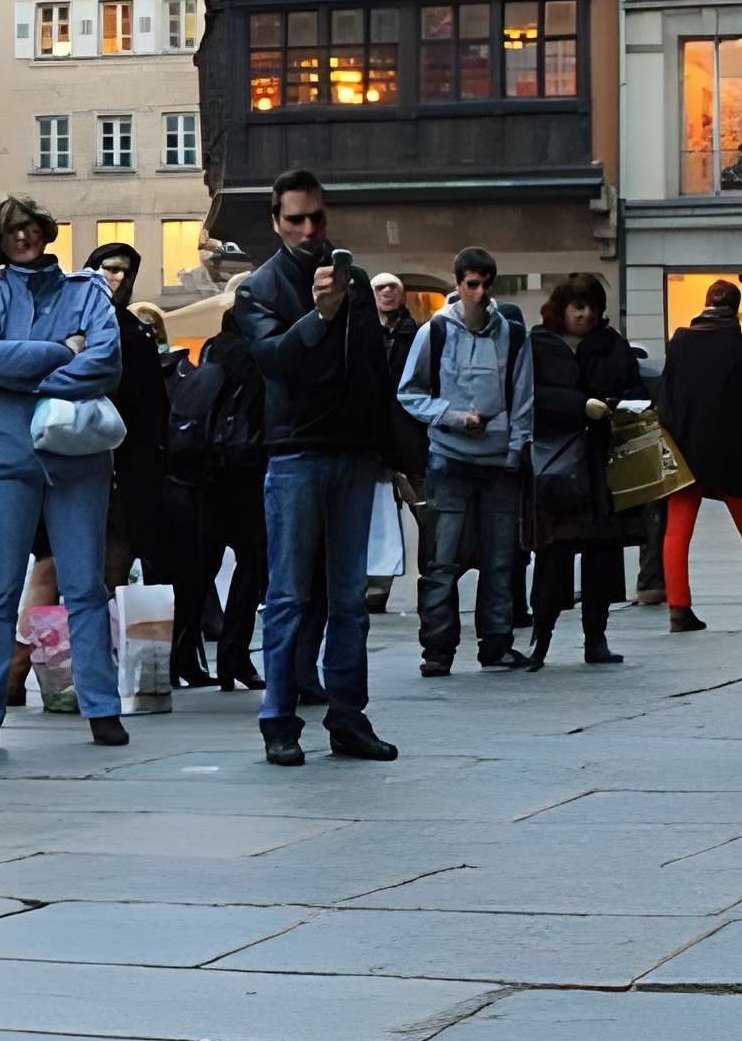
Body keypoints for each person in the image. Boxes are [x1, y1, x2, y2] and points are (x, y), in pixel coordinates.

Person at [228, 170, 397, 766]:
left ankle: (348, 716)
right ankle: (279, 718)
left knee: (350, 597)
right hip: (295, 450)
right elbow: (273, 360)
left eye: (316, 218)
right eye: (295, 219)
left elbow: (376, 369)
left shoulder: (351, 279)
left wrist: (393, 456)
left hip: (352, 452)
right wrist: (319, 317)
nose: (307, 229)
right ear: (276, 222)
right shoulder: (260, 287)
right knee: (289, 595)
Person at [0, 199, 129, 752]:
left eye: (32, 226)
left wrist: (30, 379)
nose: (26, 236)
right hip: (3, 460)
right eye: (13, 230)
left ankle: (101, 708)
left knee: (86, 586)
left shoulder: (86, 289)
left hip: (77, 456)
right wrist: (61, 351)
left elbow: (105, 362)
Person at [395, 248, 531, 675]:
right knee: (442, 560)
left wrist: (514, 451)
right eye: (472, 284)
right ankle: (437, 649)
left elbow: (523, 397)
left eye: (486, 284)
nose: (480, 293)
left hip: (496, 461)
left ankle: (495, 643)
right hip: (450, 457)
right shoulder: (435, 331)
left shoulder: (510, 332)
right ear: (458, 285)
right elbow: (408, 392)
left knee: (500, 558)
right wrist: (452, 417)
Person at [656, 280, 742, 632]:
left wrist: (674, 439)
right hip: (728, 449)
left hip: (685, 446)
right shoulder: (738, 345)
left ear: (705, 304)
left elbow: (666, 398)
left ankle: (679, 608)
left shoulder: (681, 341)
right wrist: (739, 439)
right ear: (736, 309)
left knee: (677, 529)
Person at [521, 273, 645, 669]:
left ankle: (597, 636)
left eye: (592, 307)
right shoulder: (539, 344)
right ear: (562, 308)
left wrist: (617, 404)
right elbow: (528, 396)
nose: (586, 315)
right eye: (579, 307)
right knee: (553, 554)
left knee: (602, 554)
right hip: (556, 461)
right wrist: (580, 405)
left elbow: (636, 390)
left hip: (600, 464)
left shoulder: (612, 345)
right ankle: (541, 638)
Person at [169, 313, 271, 690]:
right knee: (251, 565)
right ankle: (234, 656)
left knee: (199, 570)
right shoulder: (258, 352)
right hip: (246, 471)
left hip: (205, 475)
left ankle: (178, 654)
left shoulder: (214, 348)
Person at [87, 241, 174, 595]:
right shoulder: (75, 321)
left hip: (130, 461)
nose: (117, 278)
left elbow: (153, 404)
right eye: (109, 268)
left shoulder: (134, 331)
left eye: (125, 271)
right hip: (83, 454)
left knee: (121, 550)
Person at [370, 272, 422, 613]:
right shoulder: (362, 335)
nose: (387, 293)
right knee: (376, 519)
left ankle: (434, 581)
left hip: (411, 439)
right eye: (380, 288)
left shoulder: (415, 334)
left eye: (393, 288)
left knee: (425, 511)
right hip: (374, 440)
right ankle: (374, 591)